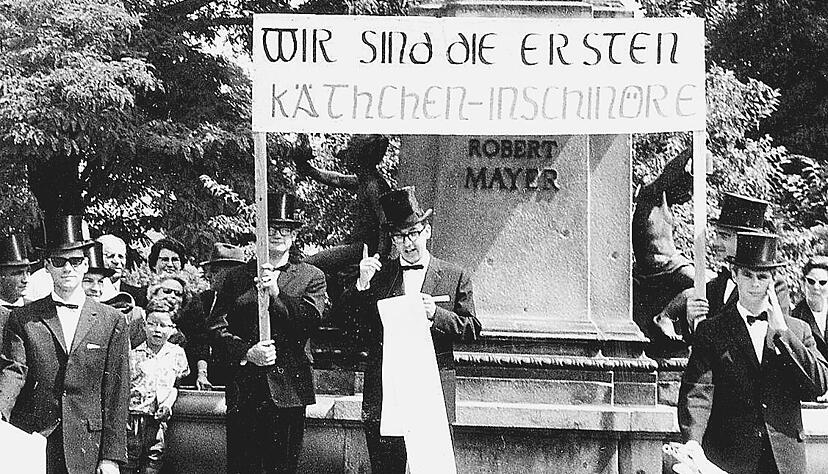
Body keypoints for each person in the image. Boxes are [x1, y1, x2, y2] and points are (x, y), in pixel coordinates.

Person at [340, 186, 481, 474]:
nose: (408, 243)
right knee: (386, 468)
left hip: (432, 388)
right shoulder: (380, 276)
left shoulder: (454, 276)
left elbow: (472, 328)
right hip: (386, 390)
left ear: (427, 231)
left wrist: (437, 315)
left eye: (414, 233)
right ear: (392, 239)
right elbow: (350, 326)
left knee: (432, 469)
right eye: (400, 237)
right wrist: (361, 286)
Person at [678, 231, 828, 474]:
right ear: (735, 275)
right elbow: (697, 391)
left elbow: (818, 384)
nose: (755, 284)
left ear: (772, 279)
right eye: (747, 275)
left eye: (762, 276)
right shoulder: (712, 331)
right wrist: (693, 441)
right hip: (728, 457)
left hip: (784, 459)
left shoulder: (797, 330)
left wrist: (782, 332)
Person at [0, 215, 129, 474]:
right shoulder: (23, 318)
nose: (67, 269)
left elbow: (117, 392)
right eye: (59, 262)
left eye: (75, 261)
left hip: (88, 444)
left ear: (85, 265)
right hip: (35, 440)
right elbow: (14, 371)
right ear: (47, 266)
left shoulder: (112, 320)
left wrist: (111, 457)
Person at [208, 191, 326, 474]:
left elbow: (310, 321)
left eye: (285, 229)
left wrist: (276, 292)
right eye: (270, 228)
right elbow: (215, 326)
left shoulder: (311, 276)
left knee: (281, 468)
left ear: (294, 236)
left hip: (288, 391)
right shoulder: (235, 278)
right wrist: (246, 352)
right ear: (259, 232)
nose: (277, 235)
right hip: (245, 389)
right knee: (243, 466)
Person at [660, 192, 792, 336]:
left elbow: (779, 338)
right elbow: (703, 345)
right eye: (717, 235)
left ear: (745, 239)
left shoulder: (773, 286)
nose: (715, 243)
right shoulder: (713, 288)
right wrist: (693, 323)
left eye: (724, 236)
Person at [630, 149, 695, 355]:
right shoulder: (651, 196)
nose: (687, 194)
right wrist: (691, 150)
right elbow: (670, 172)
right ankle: (664, 317)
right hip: (660, 267)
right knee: (705, 284)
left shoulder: (665, 204)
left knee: (710, 284)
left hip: (671, 263)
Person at [126, 307, 189, 474]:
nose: (157, 330)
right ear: (145, 326)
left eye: (163, 325)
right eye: (152, 324)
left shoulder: (177, 353)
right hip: (134, 414)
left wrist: (167, 405)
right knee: (130, 456)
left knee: (155, 457)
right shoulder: (133, 353)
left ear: (172, 329)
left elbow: (175, 386)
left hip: (158, 417)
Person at [181, 242, 247, 388]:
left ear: (235, 273)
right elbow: (196, 339)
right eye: (210, 270)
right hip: (202, 376)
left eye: (216, 271)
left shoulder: (248, 302)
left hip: (238, 377)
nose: (209, 275)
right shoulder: (202, 300)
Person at [792, 256, 828, 361]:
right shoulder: (795, 317)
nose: (816, 287)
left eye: (822, 282)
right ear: (804, 283)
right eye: (811, 281)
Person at [98, 234, 148, 308]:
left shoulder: (139, 296)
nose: (117, 261)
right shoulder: (88, 292)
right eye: (110, 256)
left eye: (121, 256)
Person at [0, 233, 34, 310]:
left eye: (28, 272)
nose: (26, 280)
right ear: (1, 277)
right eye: (18, 273)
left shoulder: (36, 309)